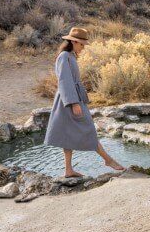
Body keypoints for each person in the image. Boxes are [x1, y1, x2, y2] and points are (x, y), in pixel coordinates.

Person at [44, 27, 125, 177]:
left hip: (72, 98)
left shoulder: (70, 56)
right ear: (73, 42)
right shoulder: (64, 57)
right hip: (68, 101)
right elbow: (64, 81)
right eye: (81, 44)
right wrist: (74, 103)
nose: (83, 48)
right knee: (88, 128)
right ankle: (108, 160)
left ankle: (68, 170)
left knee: (67, 135)